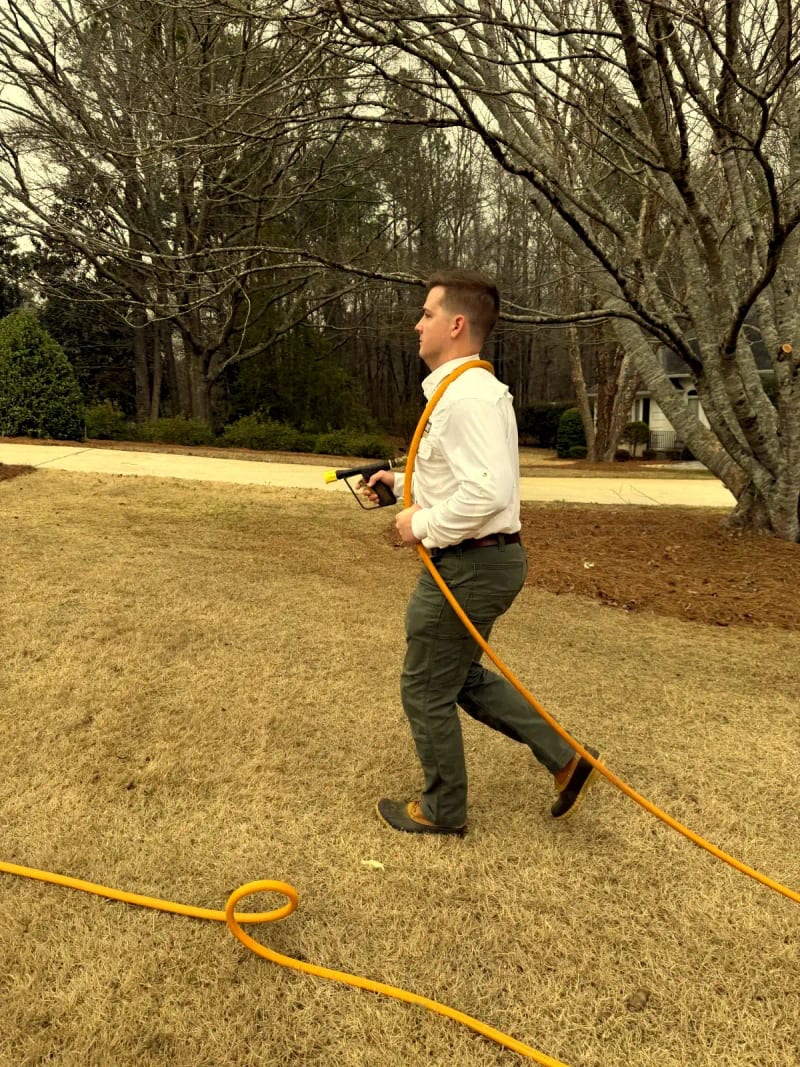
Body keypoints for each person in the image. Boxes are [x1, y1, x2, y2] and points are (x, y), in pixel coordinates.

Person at [367, 269, 601, 836]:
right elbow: (463, 478)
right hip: (483, 558)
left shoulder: (466, 396)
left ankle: (443, 810)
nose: (416, 324)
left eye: (426, 314)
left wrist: (420, 523)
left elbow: (487, 493)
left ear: (455, 323)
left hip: (472, 562)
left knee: (425, 686)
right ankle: (567, 759)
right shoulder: (462, 390)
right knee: (458, 677)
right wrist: (398, 485)